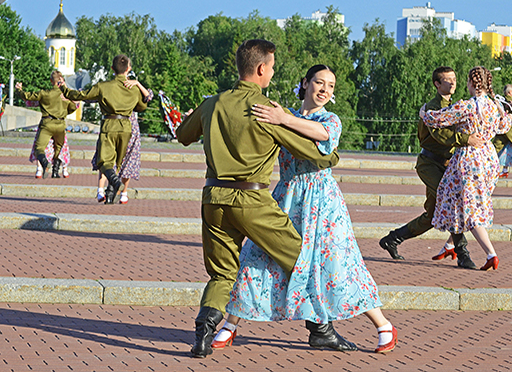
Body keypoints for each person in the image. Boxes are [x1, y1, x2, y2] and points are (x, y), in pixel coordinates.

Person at [211, 65, 397, 354]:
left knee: (338, 264)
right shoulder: (280, 114)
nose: (324, 89)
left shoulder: (329, 119)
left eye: (331, 86)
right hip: (286, 197)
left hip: (323, 202)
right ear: (305, 83)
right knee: (258, 257)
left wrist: (284, 118)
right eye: (319, 83)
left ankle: (383, 325)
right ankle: (229, 325)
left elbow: (322, 135)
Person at [176, 39, 340, 358]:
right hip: (252, 201)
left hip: (213, 199)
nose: (273, 73)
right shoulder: (264, 110)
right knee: (300, 259)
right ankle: (321, 330)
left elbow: (183, 135)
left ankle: (203, 333)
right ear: (262, 69)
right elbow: (310, 151)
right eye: (273, 68)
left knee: (222, 274)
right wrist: (331, 158)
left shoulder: (213, 103)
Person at [378, 66, 483, 269]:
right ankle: (462, 253)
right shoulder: (433, 107)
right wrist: (466, 139)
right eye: (447, 80)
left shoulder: (455, 105)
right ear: (437, 84)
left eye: (454, 79)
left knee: (432, 215)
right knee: (452, 201)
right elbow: (439, 135)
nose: (452, 83)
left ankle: (392, 239)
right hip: (430, 164)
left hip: (447, 164)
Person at [419, 66, 512, 271]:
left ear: (471, 83)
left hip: (469, 158)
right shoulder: (494, 106)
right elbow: (505, 126)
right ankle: (450, 245)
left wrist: (425, 114)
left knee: (470, 207)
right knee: (456, 198)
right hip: (489, 159)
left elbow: (440, 119)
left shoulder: (467, 106)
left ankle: (491, 254)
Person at [60, 54, 147, 201]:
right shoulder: (134, 89)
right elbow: (142, 106)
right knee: (119, 162)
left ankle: (113, 181)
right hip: (127, 127)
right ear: (128, 69)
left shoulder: (103, 86)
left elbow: (82, 95)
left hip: (109, 125)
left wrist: (64, 89)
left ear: (112, 69)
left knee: (104, 161)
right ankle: (112, 192)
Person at [93, 79, 153, 204]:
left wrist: (137, 83)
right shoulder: (132, 90)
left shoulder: (113, 88)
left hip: (120, 127)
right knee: (123, 162)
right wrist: (137, 84)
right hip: (128, 128)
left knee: (110, 160)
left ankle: (104, 191)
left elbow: (148, 96)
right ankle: (116, 192)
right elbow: (148, 97)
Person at [15, 71, 77, 179]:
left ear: (51, 81)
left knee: (39, 148)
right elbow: (73, 107)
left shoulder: (44, 93)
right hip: (60, 124)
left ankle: (44, 163)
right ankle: (55, 170)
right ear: (61, 81)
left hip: (47, 124)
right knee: (59, 148)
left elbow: (28, 96)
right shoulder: (65, 96)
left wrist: (19, 90)